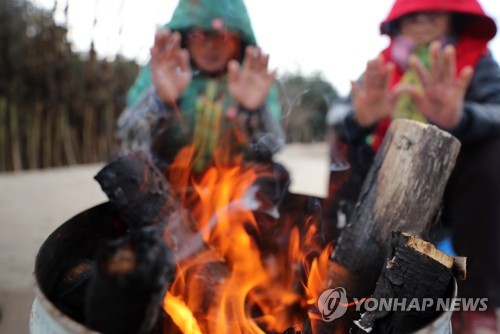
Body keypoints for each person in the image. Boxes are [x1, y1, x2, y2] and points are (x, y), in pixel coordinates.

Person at [326, 0, 500, 332]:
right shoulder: (384, 65)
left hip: (453, 193)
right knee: (341, 150)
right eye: (412, 14)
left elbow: (497, 111)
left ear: (453, 16)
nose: (421, 20)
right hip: (381, 181)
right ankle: (339, 279)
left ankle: (479, 303)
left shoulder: (475, 60)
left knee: (493, 152)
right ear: (398, 23)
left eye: (431, 11)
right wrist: (358, 119)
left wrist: (461, 118)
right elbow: (336, 115)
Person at [116, 0, 285, 174]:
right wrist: (161, 101)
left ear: (239, 40)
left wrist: (253, 112)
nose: (211, 46)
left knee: (276, 173)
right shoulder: (162, 71)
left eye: (222, 35)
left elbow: (270, 149)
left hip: (233, 189)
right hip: (166, 188)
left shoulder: (252, 79)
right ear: (182, 37)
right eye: (199, 35)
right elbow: (130, 140)